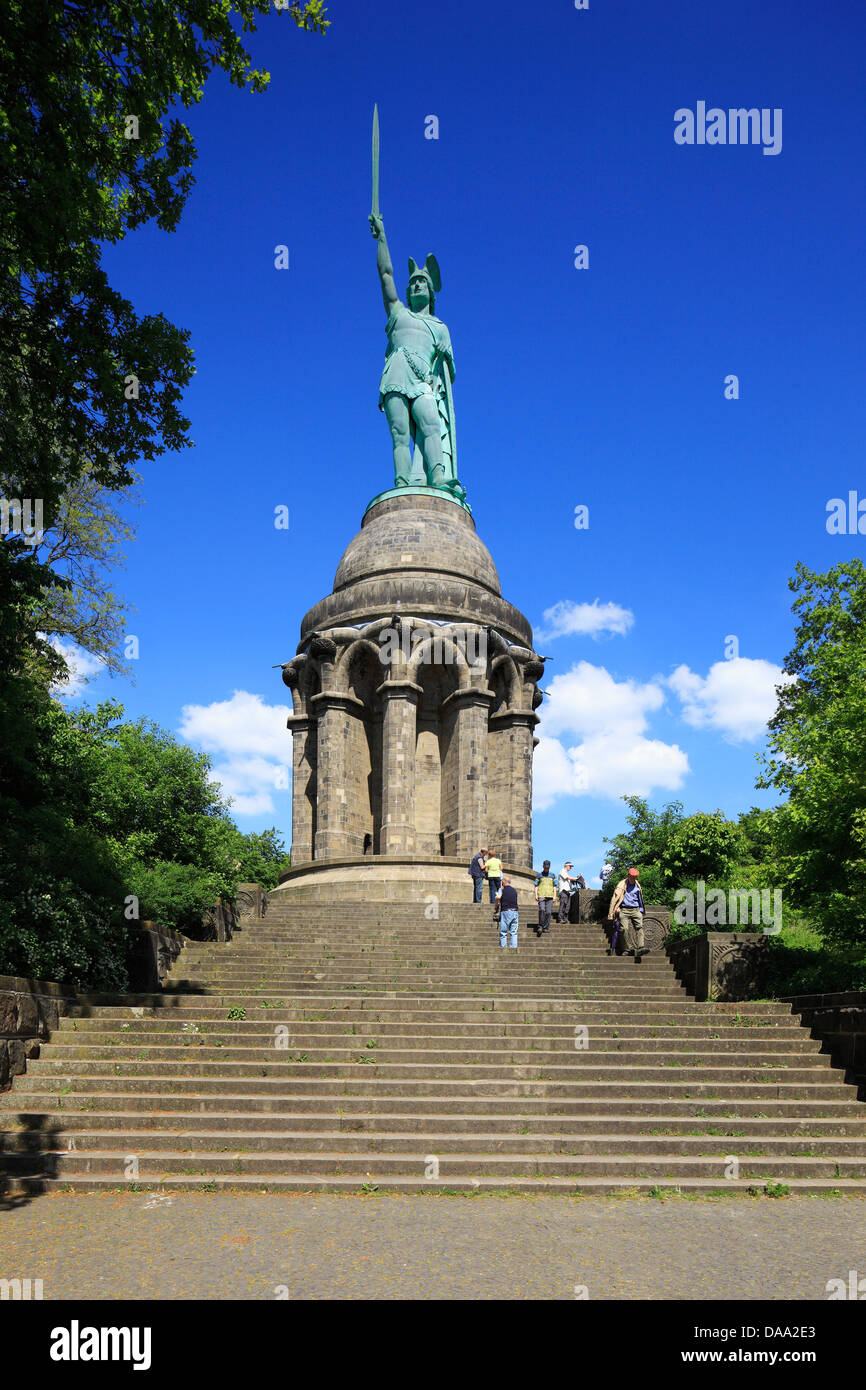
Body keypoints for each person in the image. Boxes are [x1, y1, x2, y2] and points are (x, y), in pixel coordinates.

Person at [608, 865, 646, 963]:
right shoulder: (621, 884)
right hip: (624, 909)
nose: (633, 879)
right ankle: (626, 949)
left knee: (639, 927)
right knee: (624, 929)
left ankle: (641, 948)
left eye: (635, 877)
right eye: (632, 877)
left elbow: (640, 898)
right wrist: (616, 908)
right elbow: (615, 898)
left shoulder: (637, 886)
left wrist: (641, 909)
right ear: (628, 876)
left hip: (636, 909)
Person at [534, 860, 557, 936]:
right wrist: (536, 895)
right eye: (545, 867)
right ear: (543, 866)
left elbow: (554, 886)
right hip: (541, 895)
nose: (546, 868)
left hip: (550, 896)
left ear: (549, 867)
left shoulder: (553, 875)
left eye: (548, 867)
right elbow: (536, 885)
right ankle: (540, 926)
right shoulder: (539, 875)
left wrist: (554, 895)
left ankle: (546, 927)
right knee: (542, 910)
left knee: (549, 912)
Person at [496, 876, 519, 949]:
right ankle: (513, 947)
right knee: (514, 932)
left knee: (503, 932)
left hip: (506, 911)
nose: (502, 883)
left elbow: (498, 897)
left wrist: (496, 905)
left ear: (504, 882)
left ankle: (503, 947)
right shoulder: (514, 890)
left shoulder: (501, 889)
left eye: (502, 881)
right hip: (515, 911)